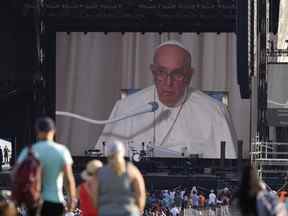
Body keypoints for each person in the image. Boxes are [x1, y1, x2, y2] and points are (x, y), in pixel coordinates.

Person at [96, 40, 237, 158]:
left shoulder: (214, 112)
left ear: (189, 75)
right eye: (161, 73)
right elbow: (105, 165)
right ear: (153, 72)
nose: (168, 83)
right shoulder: (126, 108)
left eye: (177, 74)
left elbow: (229, 171)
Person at [15, 117, 77, 216]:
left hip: (32, 200)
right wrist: (71, 198)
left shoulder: (29, 151)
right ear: (53, 131)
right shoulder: (62, 151)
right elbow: (68, 179)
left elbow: (15, 173)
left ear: (38, 131)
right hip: (55, 200)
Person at [91, 141, 146, 216]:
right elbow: (140, 194)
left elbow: (94, 196)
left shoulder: (100, 172)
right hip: (128, 212)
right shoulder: (132, 170)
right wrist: (139, 210)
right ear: (122, 153)